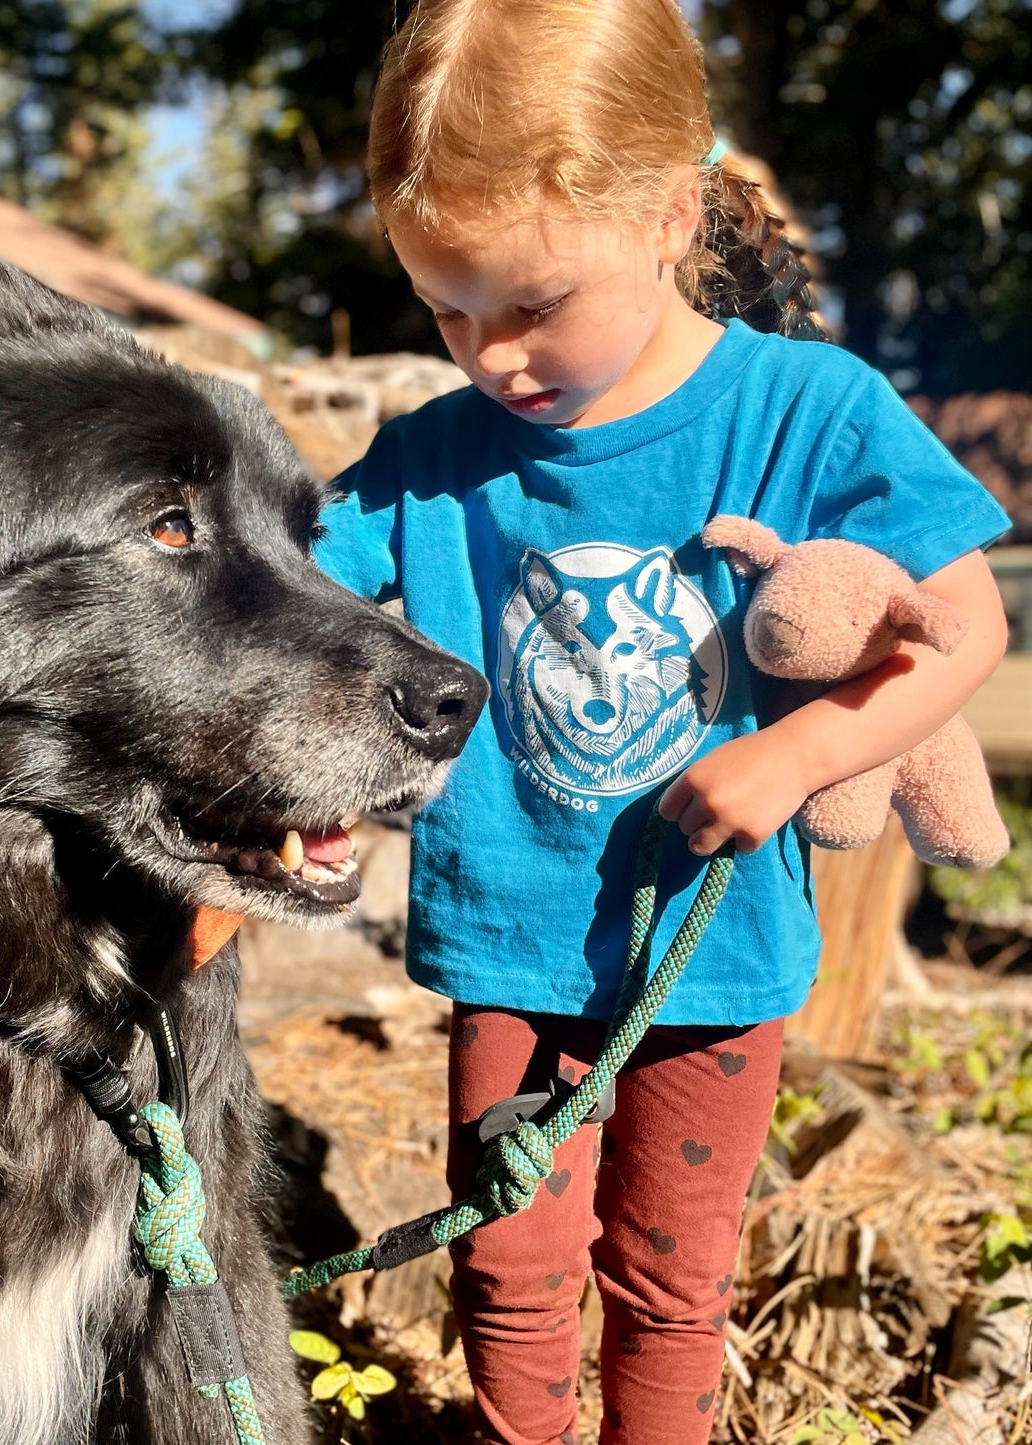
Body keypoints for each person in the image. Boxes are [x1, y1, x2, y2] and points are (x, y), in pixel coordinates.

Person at [312, 2, 1011, 1442]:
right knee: (505, 1258)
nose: (490, 356)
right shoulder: (430, 459)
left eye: (528, 304)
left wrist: (804, 752)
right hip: (511, 939)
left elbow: (967, 627)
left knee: (668, 1271)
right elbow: (292, 600)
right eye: (445, 308)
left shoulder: (804, 407)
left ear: (664, 216)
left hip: (711, 944)